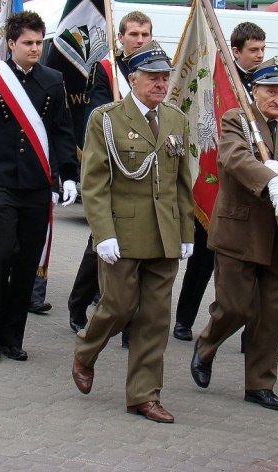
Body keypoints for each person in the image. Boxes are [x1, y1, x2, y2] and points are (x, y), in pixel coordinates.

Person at [71, 40, 195, 424]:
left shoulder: (176, 119)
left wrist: (187, 231)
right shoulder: (106, 119)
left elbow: (182, 182)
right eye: (154, 77)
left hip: (164, 235)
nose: (161, 83)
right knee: (119, 306)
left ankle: (144, 395)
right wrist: (102, 232)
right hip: (122, 233)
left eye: (165, 77)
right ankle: (85, 352)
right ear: (133, 78)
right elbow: (94, 182)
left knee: (155, 317)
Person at [190, 58, 278, 411]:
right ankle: (207, 344)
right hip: (240, 230)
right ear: (255, 90)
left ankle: (259, 384)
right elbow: (233, 160)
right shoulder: (237, 120)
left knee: (272, 315)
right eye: (271, 92)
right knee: (234, 306)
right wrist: (269, 178)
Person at [0, 11, 78, 362]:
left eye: (39, 42)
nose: (35, 48)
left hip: (37, 185)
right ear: (11, 44)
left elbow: (61, 132)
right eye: (27, 42)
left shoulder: (53, 80)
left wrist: (67, 174)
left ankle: (13, 335)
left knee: (26, 261)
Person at [173, 21, 266, 342]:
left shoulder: (266, 82)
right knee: (202, 260)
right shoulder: (220, 78)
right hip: (217, 181)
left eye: (262, 49)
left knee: (250, 265)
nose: (259, 55)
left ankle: (245, 333)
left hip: (251, 185)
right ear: (236, 51)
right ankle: (184, 320)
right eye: (253, 50)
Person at [67, 11, 152, 334]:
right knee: (101, 242)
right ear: (121, 37)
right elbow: (98, 115)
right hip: (117, 164)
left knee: (143, 248)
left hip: (146, 167)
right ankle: (79, 302)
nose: (140, 40)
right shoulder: (105, 70)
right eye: (133, 34)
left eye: (145, 34)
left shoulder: (158, 66)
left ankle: (132, 324)